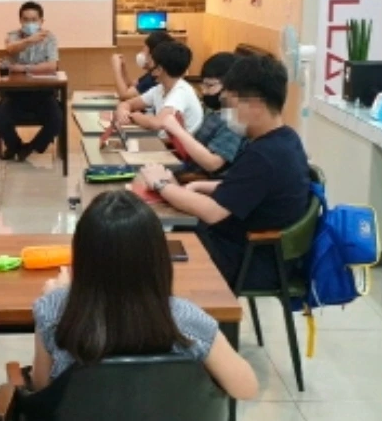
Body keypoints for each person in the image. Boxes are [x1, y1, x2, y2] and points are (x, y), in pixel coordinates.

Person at [29, 191, 258, 400]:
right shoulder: (187, 319)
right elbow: (246, 389)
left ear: (81, 257)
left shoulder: (53, 310)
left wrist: (57, 296)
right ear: (158, 259)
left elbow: (41, 387)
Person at [138, 54, 310, 291]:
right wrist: (197, 186)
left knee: (145, 252)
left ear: (256, 105)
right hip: (254, 250)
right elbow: (245, 188)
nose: (226, 114)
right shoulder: (285, 139)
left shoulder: (264, 155)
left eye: (230, 105)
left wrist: (161, 185)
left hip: (251, 261)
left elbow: (213, 212)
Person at [0, 1, 63, 162]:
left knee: (57, 120)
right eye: (26, 20)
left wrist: (24, 69)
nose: (29, 23)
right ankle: (15, 146)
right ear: (20, 20)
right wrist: (30, 40)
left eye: (34, 20)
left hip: (43, 93)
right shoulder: (12, 36)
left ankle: (31, 147)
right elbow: (10, 49)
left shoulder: (49, 38)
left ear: (41, 21)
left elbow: (52, 66)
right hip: (15, 94)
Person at [162, 52, 246, 178]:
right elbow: (200, 145)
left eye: (210, 86)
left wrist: (178, 131)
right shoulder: (213, 111)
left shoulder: (234, 121)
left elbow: (213, 164)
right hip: (190, 169)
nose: (204, 91)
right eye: (203, 84)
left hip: (203, 181)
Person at [115, 40, 204, 137]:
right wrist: (123, 111)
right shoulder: (160, 88)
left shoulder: (181, 92)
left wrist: (134, 116)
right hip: (161, 141)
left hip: (172, 146)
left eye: (151, 63)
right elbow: (127, 103)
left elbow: (157, 123)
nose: (149, 67)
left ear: (159, 69)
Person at [111, 30, 173, 101]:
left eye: (144, 50)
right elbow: (132, 85)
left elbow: (125, 96)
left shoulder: (154, 79)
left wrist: (116, 68)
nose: (142, 53)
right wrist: (123, 69)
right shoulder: (152, 73)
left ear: (152, 54)